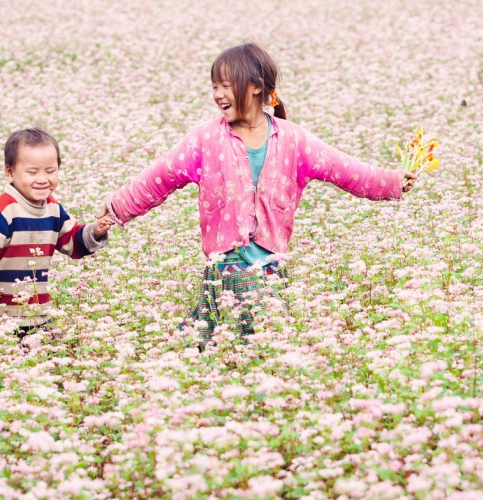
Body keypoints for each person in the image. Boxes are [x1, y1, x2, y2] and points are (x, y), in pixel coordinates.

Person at [101, 42, 417, 346]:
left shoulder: (292, 140)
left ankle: (206, 353)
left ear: (254, 86)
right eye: (214, 87)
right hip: (227, 264)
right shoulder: (205, 139)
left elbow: (346, 169)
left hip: (271, 265)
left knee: (240, 344)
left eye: (225, 85)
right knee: (243, 341)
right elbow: (159, 177)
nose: (217, 95)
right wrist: (116, 208)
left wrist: (392, 182)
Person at [0, 128, 113, 333]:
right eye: (32, 172)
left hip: (35, 314)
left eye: (50, 171)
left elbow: (71, 241)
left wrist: (96, 231)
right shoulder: (2, 211)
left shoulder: (53, 208)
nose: (42, 179)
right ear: (10, 172)